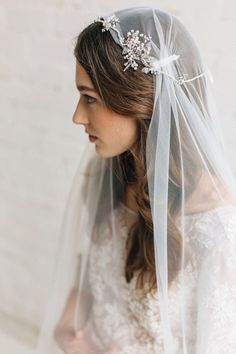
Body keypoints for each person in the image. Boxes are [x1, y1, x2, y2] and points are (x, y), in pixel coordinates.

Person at [34, 6, 236, 354]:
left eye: (89, 98)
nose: (77, 116)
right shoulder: (108, 174)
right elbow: (93, 269)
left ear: (142, 101)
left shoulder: (216, 227)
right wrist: (71, 325)